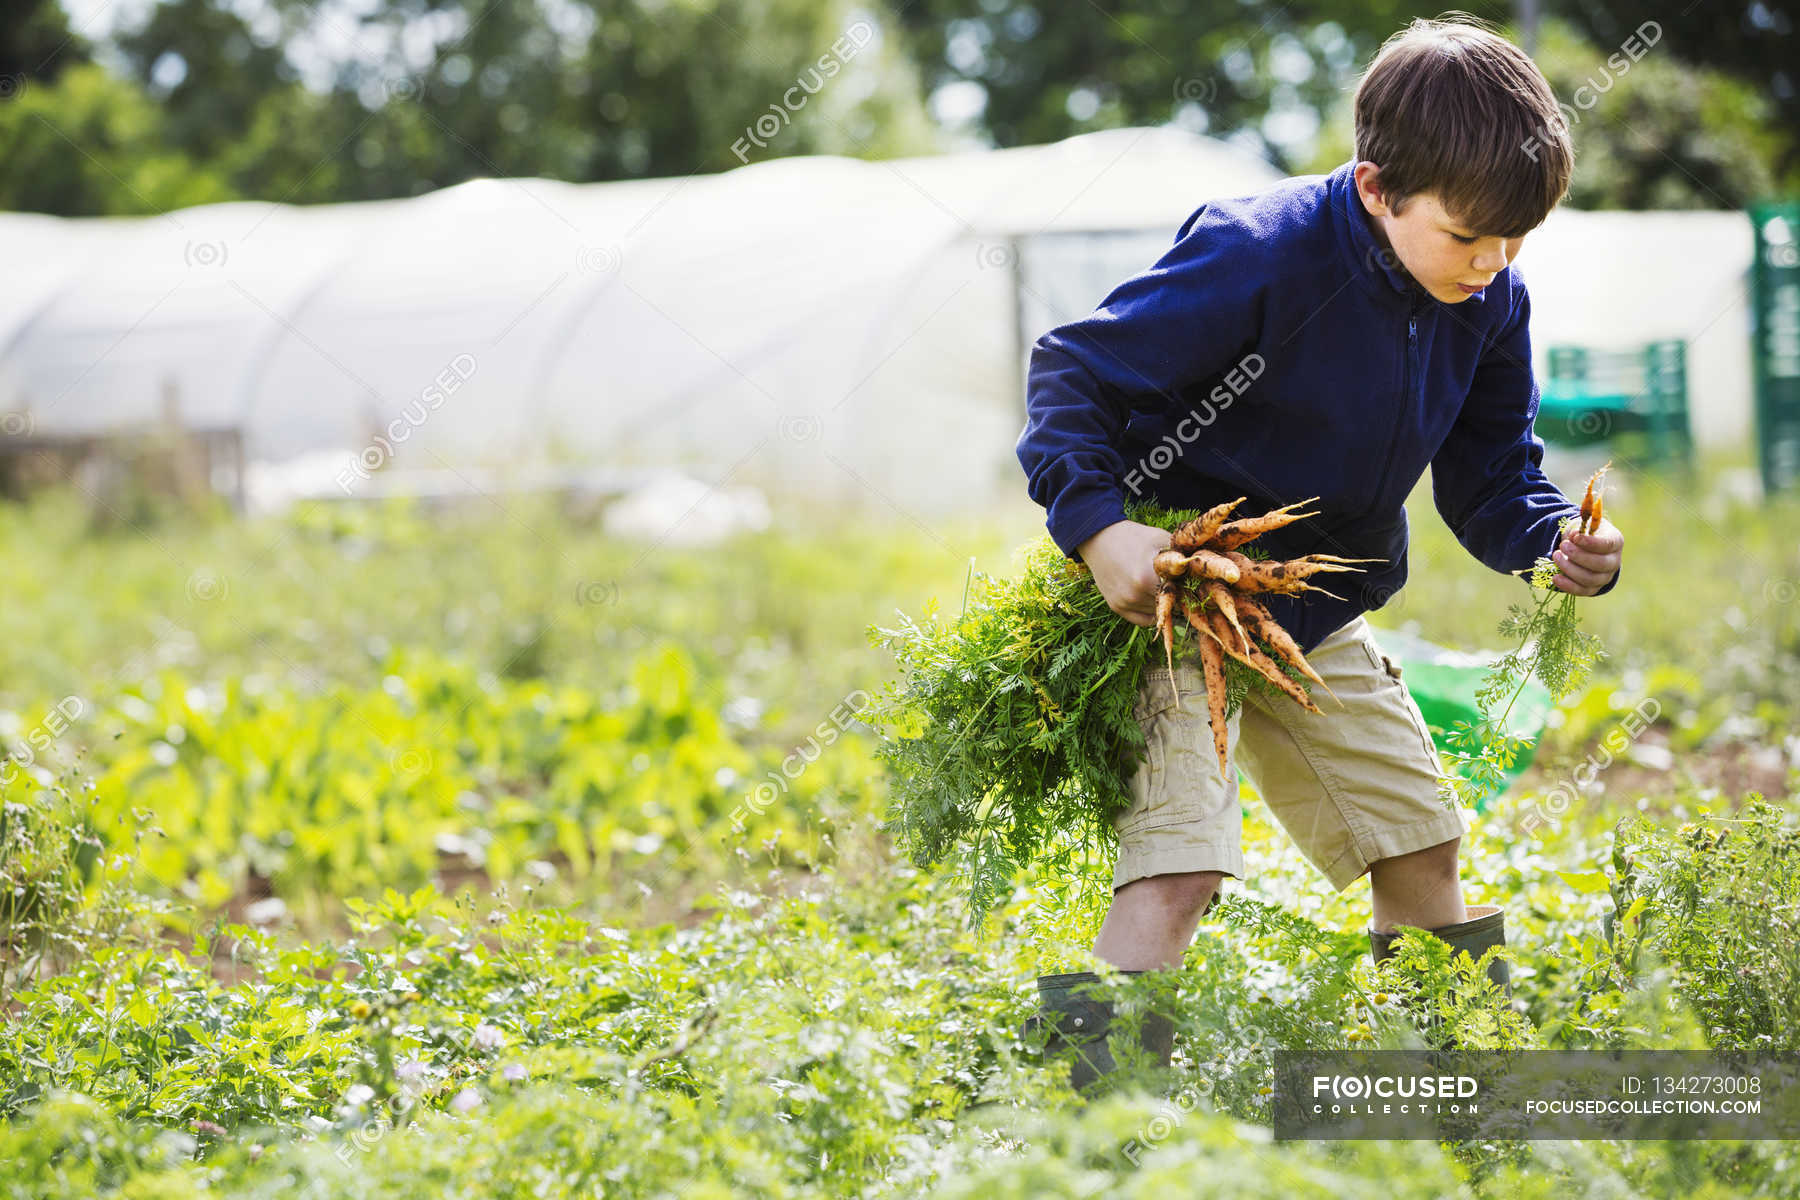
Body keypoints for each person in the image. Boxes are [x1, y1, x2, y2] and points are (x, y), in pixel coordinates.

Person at [1015, 16, 1625, 1090]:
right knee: (1180, 874)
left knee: (1421, 847)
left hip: (1319, 605)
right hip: (1176, 602)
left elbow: (1491, 478)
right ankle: (1081, 1126)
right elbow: (1075, 372)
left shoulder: (1488, 302)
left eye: (1511, 245)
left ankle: (1449, 1098)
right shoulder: (1259, 252)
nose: (1487, 268)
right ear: (1378, 186)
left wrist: (1551, 545)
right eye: (1467, 239)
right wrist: (1101, 527)